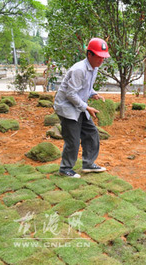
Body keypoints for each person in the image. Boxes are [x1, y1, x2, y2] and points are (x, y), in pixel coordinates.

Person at [54, 37, 110, 178]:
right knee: (73, 139)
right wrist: (87, 107)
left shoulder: (94, 68)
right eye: (99, 56)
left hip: (79, 105)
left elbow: (86, 88)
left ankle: (88, 163)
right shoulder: (79, 69)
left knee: (91, 133)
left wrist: (94, 94)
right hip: (67, 106)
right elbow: (71, 94)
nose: (101, 60)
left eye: (104, 57)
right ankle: (65, 169)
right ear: (89, 54)